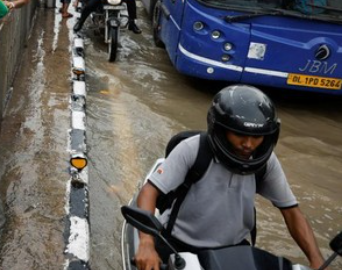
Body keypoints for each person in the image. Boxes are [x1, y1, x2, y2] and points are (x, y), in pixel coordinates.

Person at [133, 85, 324, 270]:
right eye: (240, 134)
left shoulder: (266, 162)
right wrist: (147, 243)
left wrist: (317, 261)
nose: (248, 144)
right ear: (220, 128)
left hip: (234, 251)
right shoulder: (192, 149)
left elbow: (291, 211)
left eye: (257, 136)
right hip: (178, 244)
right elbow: (149, 192)